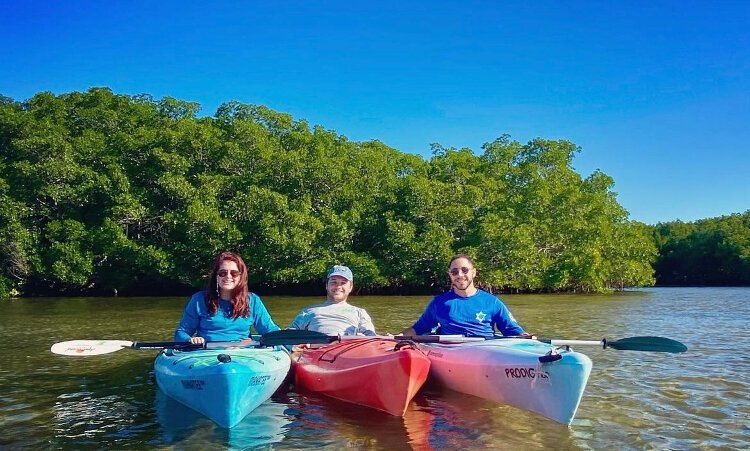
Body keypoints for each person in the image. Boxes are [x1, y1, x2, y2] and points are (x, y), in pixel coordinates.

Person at [401, 254, 532, 338]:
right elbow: (419, 329)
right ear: (450, 275)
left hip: (487, 350)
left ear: (473, 273)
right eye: (454, 271)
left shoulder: (492, 302)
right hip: (451, 351)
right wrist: (395, 338)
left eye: (465, 270)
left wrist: (525, 337)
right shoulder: (439, 303)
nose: (459, 275)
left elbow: (512, 330)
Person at [174, 251, 280, 344]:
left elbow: (270, 330)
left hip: (243, 354)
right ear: (216, 276)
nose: (228, 277)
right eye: (222, 273)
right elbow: (182, 332)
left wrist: (291, 344)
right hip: (206, 354)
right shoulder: (198, 300)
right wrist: (190, 340)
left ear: (240, 276)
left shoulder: (253, 301)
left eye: (234, 273)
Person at [287, 265, 377, 336]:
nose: (338, 287)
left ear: (350, 287)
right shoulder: (308, 311)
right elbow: (289, 335)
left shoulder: (359, 312)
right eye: (334, 282)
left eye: (343, 283)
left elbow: (371, 336)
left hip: (348, 350)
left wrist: (364, 339)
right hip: (316, 351)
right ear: (326, 285)